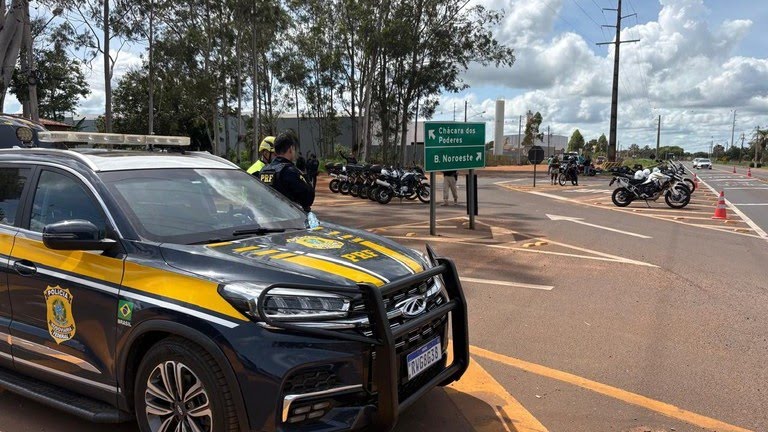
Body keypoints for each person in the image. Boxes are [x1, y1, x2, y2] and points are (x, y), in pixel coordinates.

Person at [259, 132, 315, 212]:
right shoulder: (290, 171)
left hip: (268, 215)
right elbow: (308, 198)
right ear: (291, 149)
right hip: (289, 216)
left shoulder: (264, 170)